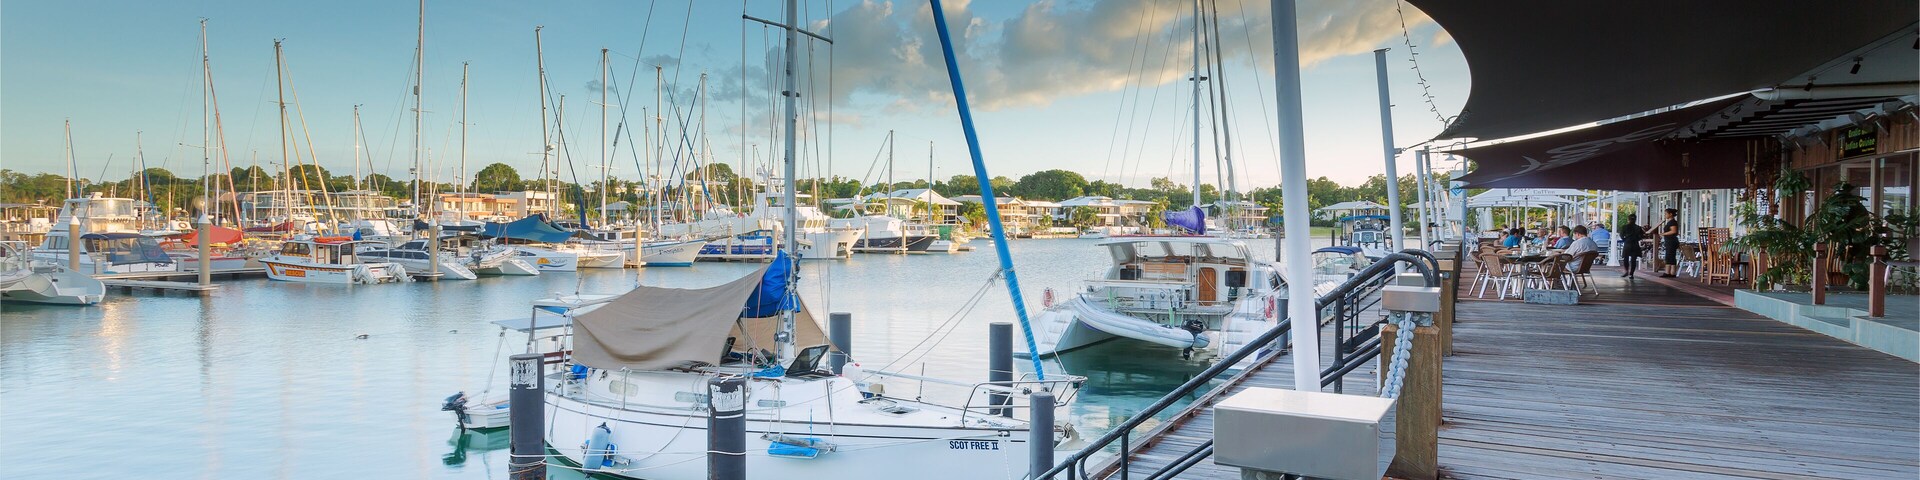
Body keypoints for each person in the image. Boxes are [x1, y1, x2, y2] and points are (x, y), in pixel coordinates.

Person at [1659, 208, 1681, 277]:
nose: (1665, 215)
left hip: (1671, 241)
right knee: (1670, 256)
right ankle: (1671, 272)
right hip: (1669, 241)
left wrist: (1663, 234)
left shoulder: (1672, 222)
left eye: (1666, 214)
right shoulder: (1670, 222)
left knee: (1670, 256)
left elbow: (1674, 231)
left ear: (1670, 214)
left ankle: (1668, 272)